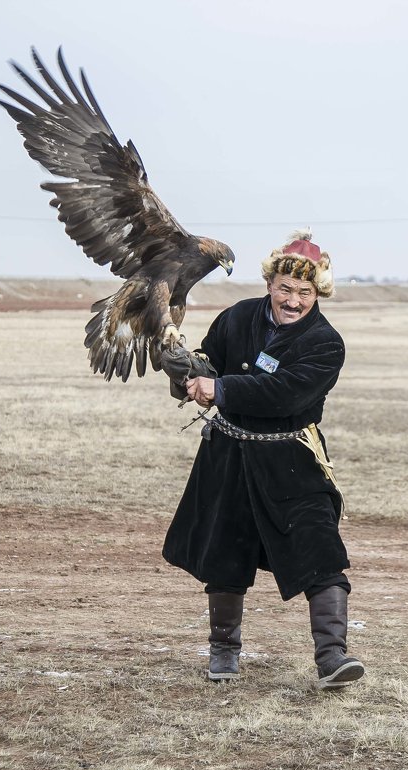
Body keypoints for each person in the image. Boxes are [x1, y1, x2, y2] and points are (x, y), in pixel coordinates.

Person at [161, 229, 364, 689]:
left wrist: (223, 388)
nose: (293, 300)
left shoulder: (325, 343)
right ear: (271, 283)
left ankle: (333, 659)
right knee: (224, 554)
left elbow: (283, 392)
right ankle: (224, 653)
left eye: (305, 292)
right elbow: (206, 366)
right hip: (227, 456)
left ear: (318, 293)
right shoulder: (236, 317)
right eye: (286, 289)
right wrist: (183, 372)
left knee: (321, 550)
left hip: (291, 457)